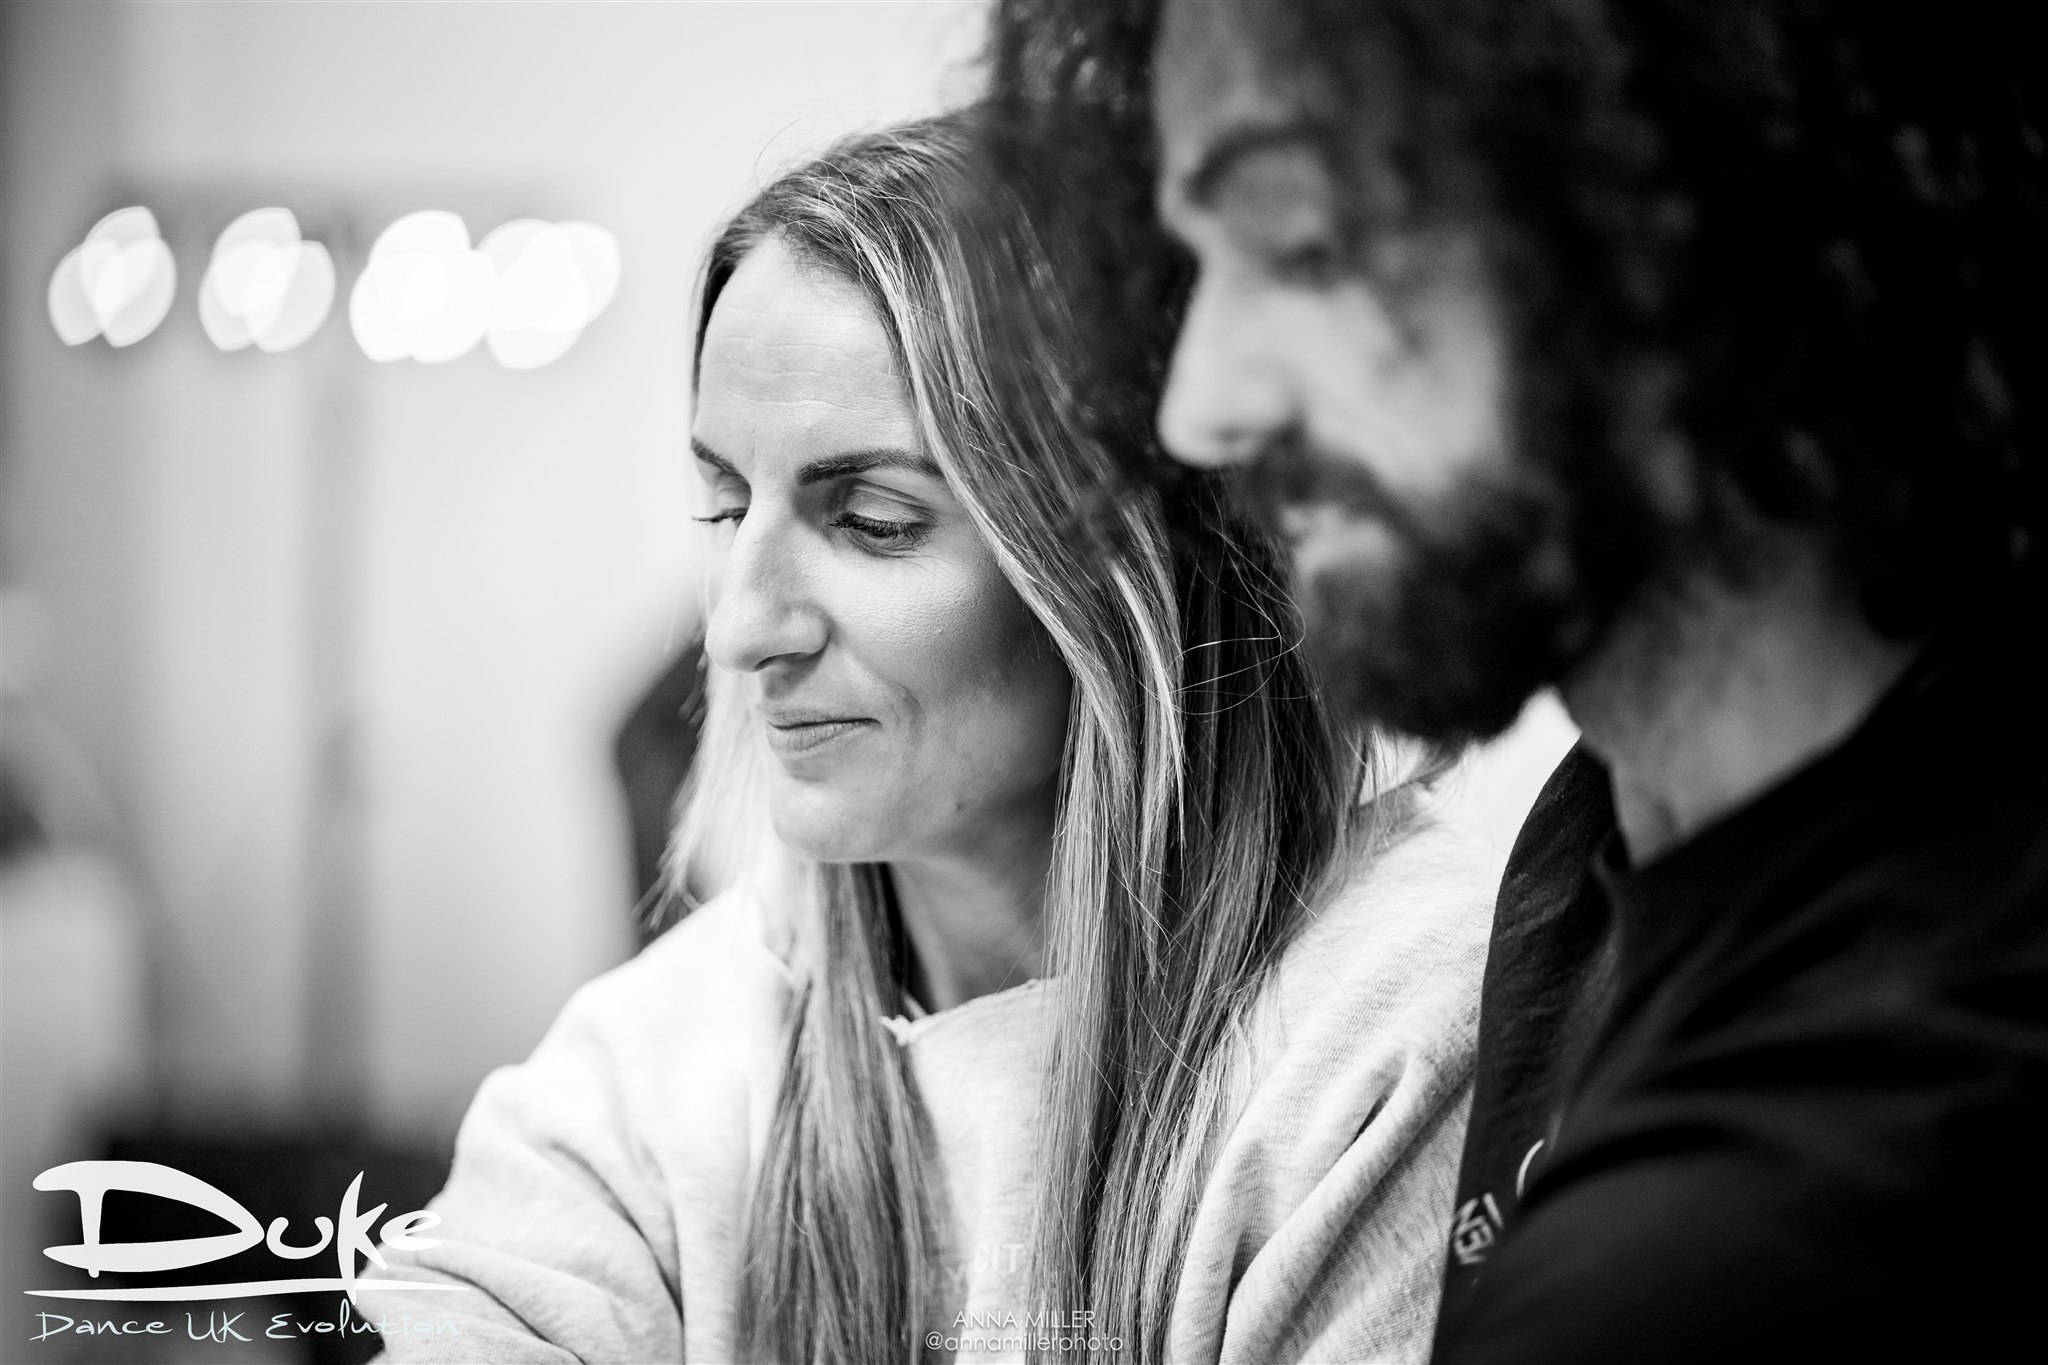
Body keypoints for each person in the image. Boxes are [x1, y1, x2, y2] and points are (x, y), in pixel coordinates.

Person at [986, 0, 2048, 1359]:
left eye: (1305, 245)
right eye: (1195, 267)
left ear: (1690, 207)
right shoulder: (1600, 832)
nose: (1198, 409)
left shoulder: (1734, 1248)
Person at [363, 110, 1497, 1364]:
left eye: (874, 520)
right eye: (725, 506)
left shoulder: (1395, 1037)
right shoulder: (641, 1085)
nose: (739, 629)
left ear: (1135, 567)